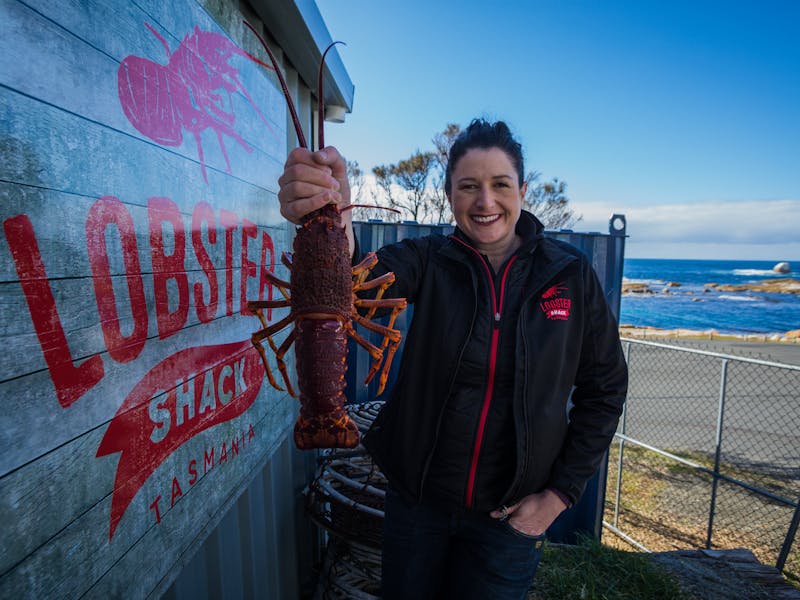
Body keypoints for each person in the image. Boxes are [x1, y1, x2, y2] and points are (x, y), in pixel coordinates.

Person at [278, 119, 628, 600]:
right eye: (469, 186)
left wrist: (559, 495)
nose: (485, 201)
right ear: (450, 195)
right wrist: (335, 219)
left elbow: (605, 388)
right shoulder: (428, 258)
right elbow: (354, 281)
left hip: (509, 519)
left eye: (500, 184)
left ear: (522, 190)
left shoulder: (570, 274)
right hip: (416, 507)